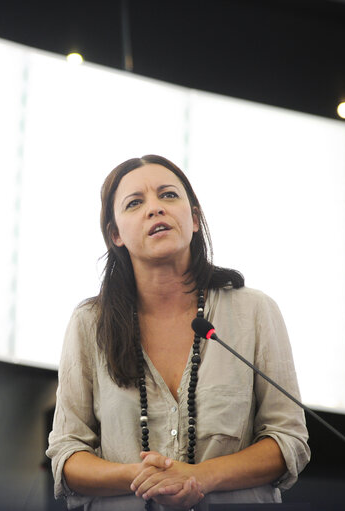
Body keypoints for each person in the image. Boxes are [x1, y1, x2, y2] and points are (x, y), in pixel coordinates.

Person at [46, 155, 310, 510]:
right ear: (115, 235)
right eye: (135, 203)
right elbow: (67, 455)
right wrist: (142, 478)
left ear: (195, 219)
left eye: (168, 195)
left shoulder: (255, 311)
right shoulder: (88, 323)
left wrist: (201, 476)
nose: (155, 209)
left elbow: (288, 440)